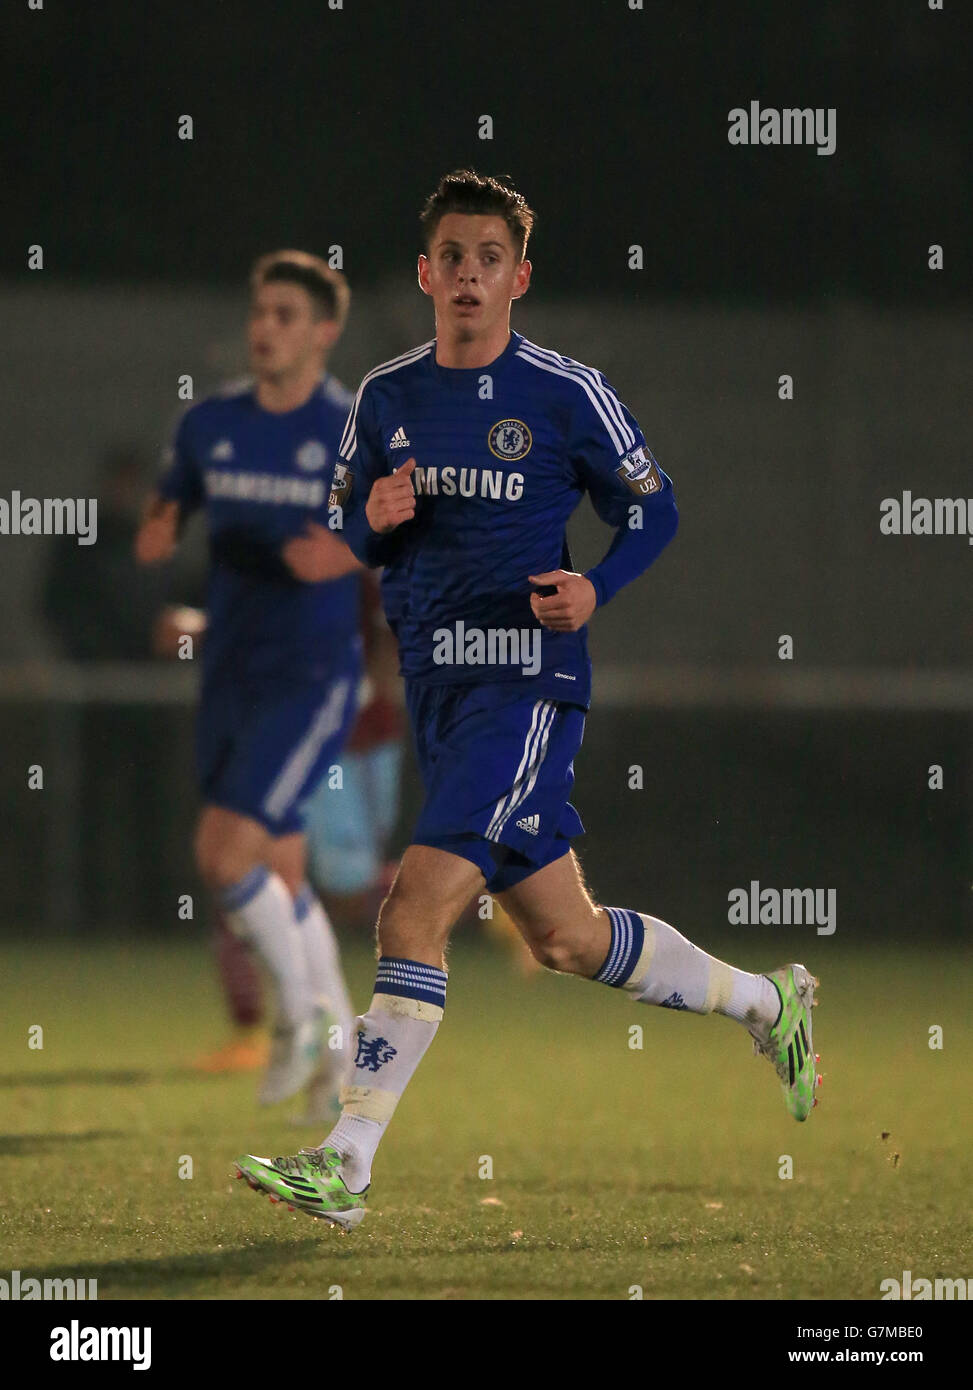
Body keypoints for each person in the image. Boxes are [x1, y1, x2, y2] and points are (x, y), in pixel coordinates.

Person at [234, 171, 821, 1228]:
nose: (467, 275)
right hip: (438, 689)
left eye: (487, 259)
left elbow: (655, 510)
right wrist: (368, 514)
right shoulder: (386, 397)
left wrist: (596, 583)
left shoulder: (564, 393)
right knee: (566, 938)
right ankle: (770, 1003)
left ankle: (347, 1162)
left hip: (526, 686)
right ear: (424, 274)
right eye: (450, 257)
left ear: (519, 277)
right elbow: (347, 537)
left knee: (411, 907)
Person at [136, 250, 360, 1109]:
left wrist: (349, 548)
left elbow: (412, 534)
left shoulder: (353, 431)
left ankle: (297, 1021)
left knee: (222, 852)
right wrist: (159, 535)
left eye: (285, 315)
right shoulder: (209, 425)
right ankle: (341, 1057)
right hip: (228, 670)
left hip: (311, 676)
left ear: (323, 333)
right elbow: (172, 512)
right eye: (259, 311)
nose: (264, 328)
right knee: (282, 873)